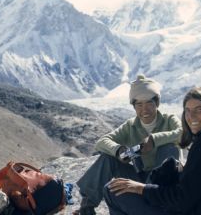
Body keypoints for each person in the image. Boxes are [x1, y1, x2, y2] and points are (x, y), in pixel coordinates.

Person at [104, 87, 201, 215]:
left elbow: (182, 200)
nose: (191, 116)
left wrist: (140, 188)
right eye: (187, 111)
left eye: (199, 110)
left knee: (112, 191)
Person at [74, 75, 182, 215]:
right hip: (141, 177)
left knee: (169, 147)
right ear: (133, 106)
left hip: (166, 182)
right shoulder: (130, 126)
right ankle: (87, 207)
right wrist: (118, 150)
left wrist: (154, 140)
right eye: (139, 104)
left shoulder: (169, 120)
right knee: (109, 158)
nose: (144, 110)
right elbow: (102, 142)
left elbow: (182, 133)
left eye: (149, 103)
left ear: (157, 102)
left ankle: (162, 201)